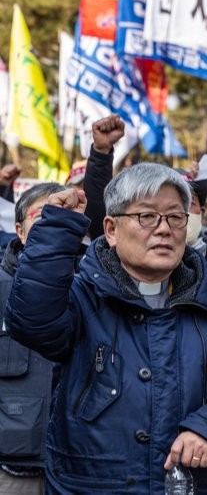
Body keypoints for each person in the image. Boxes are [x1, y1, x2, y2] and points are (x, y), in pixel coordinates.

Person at [5, 163, 207, 494]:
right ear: (111, 229)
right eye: (146, 216)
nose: (164, 229)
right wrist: (57, 229)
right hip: (90, 484)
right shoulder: (81, 298)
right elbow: (33, 322)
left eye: (175, 217)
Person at [0, 182, 67, 495]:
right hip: (12, 471)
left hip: (77, 469)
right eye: (42, 216)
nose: (51, 227)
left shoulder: (93, 289)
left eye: (60, 216)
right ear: (20, 229)